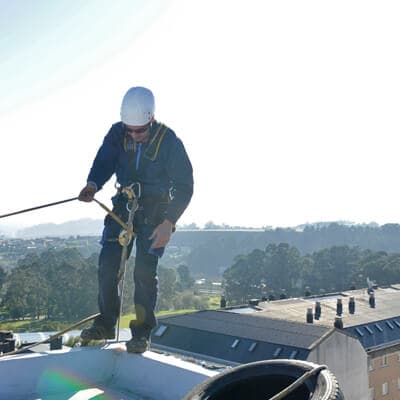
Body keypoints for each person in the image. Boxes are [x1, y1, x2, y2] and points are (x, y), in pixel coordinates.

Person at [78, 86, 193, 353]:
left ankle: (141, 334)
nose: (133, 135)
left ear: (151, 119)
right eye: (129, 129)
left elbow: (185, 186)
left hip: (156, 216)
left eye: (139, 130)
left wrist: (169, 223)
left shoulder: (169, 142)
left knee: (144, 274)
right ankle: (106, 324)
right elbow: (104, 161)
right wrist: (93, 184)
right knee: (108, 265)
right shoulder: (117, 133)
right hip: (123, 208)